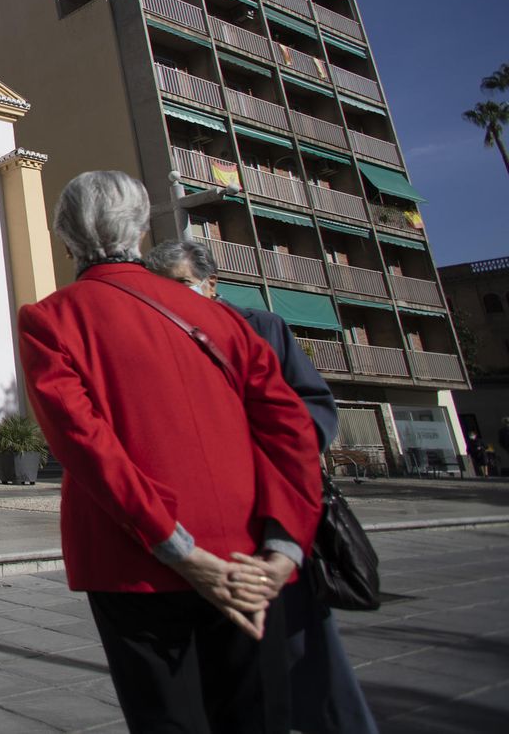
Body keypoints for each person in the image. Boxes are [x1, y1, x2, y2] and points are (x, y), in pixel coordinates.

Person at [18, 171, 321, 734]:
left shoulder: (52, 320)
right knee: (257, 719)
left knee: (167, 720)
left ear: (65, 240)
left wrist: (179, 549)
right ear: (141, 231)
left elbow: (87, 447)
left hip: (135, 564)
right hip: (250, 559)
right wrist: (284, 548)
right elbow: (291, 431)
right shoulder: (221, 317)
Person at [146, 239, 377, 734]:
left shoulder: (262, 327)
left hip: (274, 515)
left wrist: (269, 455)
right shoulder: (161, 336)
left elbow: (313, 408)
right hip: (209, 526)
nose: (174, 296)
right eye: (163, 288)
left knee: (307, 657)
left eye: (183, 284)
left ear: (211, 284)